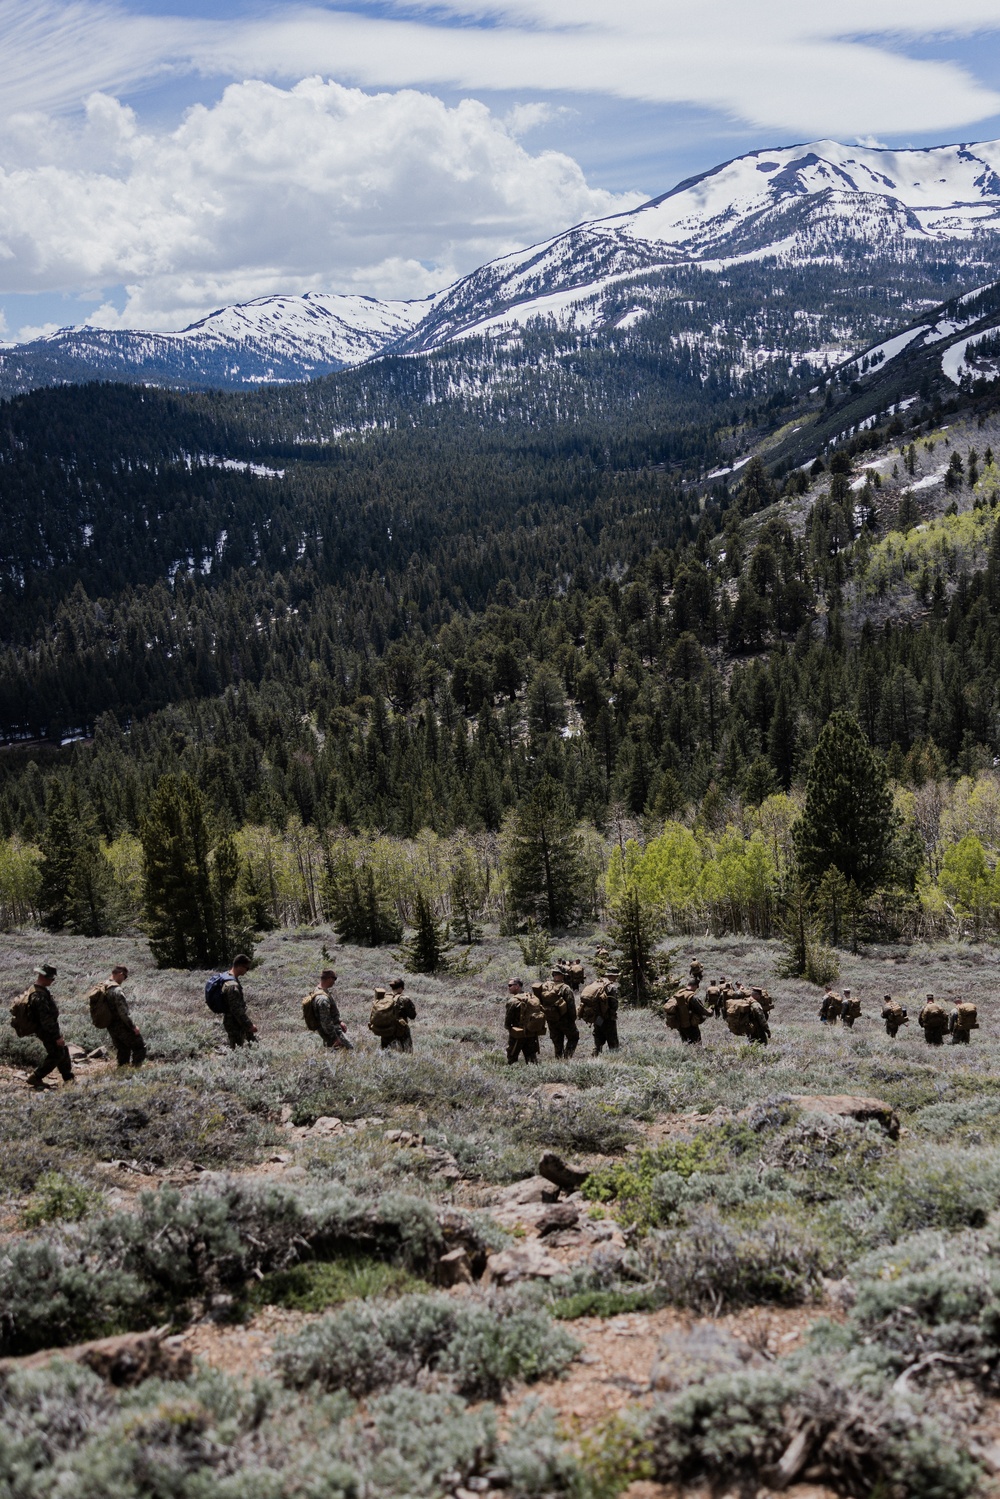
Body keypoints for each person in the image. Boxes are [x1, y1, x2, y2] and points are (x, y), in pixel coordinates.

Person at [18, 963, 74, 1089]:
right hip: (45, 1030)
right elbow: (46, 1020)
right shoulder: (39, 995)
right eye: (51, 978)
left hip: (47, 1028)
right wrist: (56, 1036)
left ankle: (68, 1078)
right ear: (44, 977)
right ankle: (36, 1077)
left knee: (62, 1051)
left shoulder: (39, 990)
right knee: (56, 1054)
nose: (53, 981)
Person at [100, 964, 146, 1067]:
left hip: (110, 1025)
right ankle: (136, 1070)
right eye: (125, 977)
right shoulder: (117, 990)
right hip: (121, 1025)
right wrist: (133, 1027)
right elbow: (123, 1013)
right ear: (120, 974)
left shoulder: (104, 986)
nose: (124, 979)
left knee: (123, 1049)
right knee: (139, 1046)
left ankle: (122, 1070)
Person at [538, 968, 580, 1059]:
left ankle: (558, 1057)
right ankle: (567, 1057)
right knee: (574, 1037)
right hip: (565, 1019)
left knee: (557, 1041)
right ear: (563, 975)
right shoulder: (565, 988)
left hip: (551, 1019)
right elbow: (571, 1005)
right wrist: (572, 1019)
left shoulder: (545, 986)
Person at [579, 969, 620, 1055]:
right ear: (613, 975)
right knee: (612, 1038)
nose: (617, 978)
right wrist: (611, 1013)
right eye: (616, 976)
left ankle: (596, 1052)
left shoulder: (597, 983)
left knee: (598, 1035)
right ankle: (614, 1057)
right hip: (608, 1017)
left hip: (597, 1016)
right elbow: (614, 1004)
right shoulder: (611, 987)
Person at [311, 969, 353, 1049]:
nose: (334, 981)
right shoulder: (322, 999)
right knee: (348, 1051)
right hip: (332, 1033)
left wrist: (339, 1021)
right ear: (330, 978)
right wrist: (334, 1038)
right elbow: (325, 1021)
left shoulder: (319, 991)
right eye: (334, 978)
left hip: (331, 1030)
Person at [221, 955, 256, 1048]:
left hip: (234, 1021)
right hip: (234, 1023)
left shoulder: (228, 976)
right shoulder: (232, 986)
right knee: (236, 1049)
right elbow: (236, 1010)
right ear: (239, 966)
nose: (247, 971)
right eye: (246, 968)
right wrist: (249, 1026)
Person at [504, 977, 542, 1064]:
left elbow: (508, 1020)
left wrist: (509, 1028)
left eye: (510, 985)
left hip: (517, 1033)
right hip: (531, 1032)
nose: (508, 987)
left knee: (512, 1056)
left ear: (517, 986)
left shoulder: (513, 1001)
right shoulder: (531, 997)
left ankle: (512, 1074)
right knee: (531, 1057)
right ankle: (534, 1074)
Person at [382, 978, 417, 1052]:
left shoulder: (384, 997)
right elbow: (412, 1016)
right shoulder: (404, 999)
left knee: (386, 1053)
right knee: (407, 1052)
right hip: (400, 1029)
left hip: (385, 1029)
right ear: (401, 987)